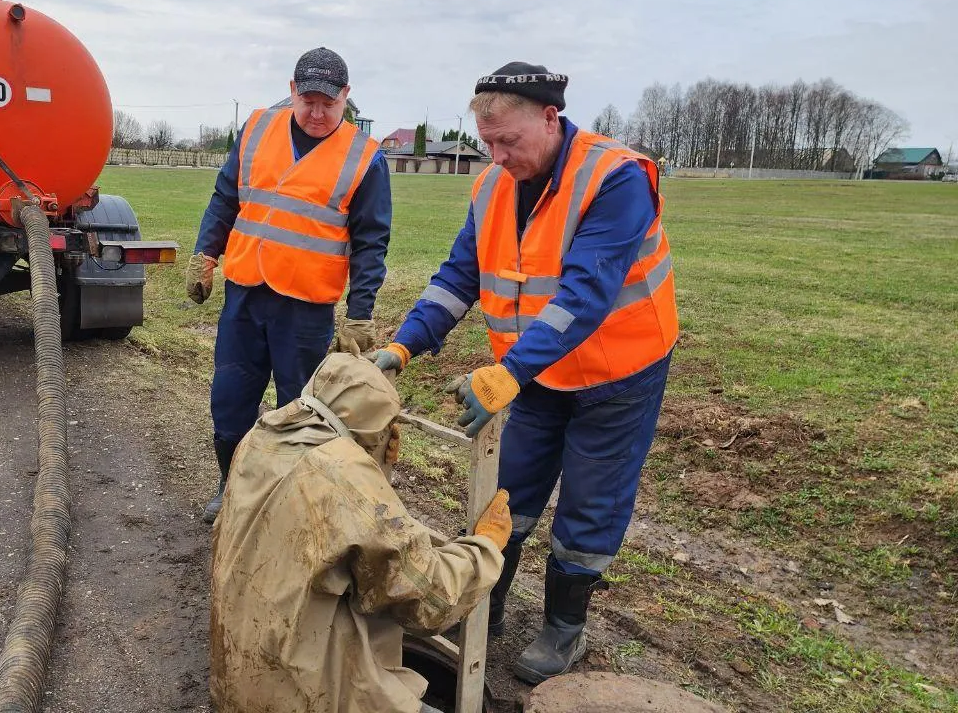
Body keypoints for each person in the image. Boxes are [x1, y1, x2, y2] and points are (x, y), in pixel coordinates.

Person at [368, 63, 678, 684]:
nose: (499, 155)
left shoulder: (615, 179)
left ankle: (566, 627)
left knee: (590, 503)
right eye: (488, 144)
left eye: (509, 141)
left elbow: (583, 296)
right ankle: (487, 603)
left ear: (549, 119)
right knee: (510, 490)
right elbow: (459, 278)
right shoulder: (491, 187)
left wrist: (508, 372)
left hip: (618, 372)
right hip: (536, 373)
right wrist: (402, 347)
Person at [210, 353, 511, 713]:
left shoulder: (262, 437)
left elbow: (334, 533)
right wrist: (486, 547)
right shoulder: (344, 474)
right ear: (374, 427)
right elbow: (429, 601)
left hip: (241, 677)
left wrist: (377, 464)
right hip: (307, 693)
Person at [185, 47, 393, 523]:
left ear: (346, 97)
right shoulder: (258, 130)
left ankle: (286, 505)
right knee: (230, 401)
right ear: (292, 91)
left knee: (300, 410)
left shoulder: (365, 158)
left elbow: (371, 241)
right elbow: (224, 198)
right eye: (309, 101)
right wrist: (204, 254)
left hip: (305, 309)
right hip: (245, 294)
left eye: (330, 103)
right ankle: (232, 488)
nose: (318, 114)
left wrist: (360, 313)